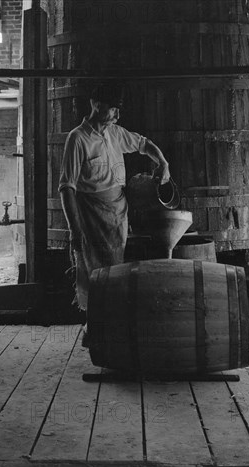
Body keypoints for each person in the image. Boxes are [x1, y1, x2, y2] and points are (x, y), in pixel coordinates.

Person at [58, 82, 171, 320]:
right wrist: (74, 230)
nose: (117, 115)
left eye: (119, 109)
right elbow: (67, 188)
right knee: (93, 274)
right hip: (91, 217)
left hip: (117, 215)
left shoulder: (115, 133)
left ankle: (111, 325)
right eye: (113, 109)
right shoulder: (77, 139)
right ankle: (94, 326)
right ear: (96, 105)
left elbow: (143, 144)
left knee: (115, 271)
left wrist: (162, 162)